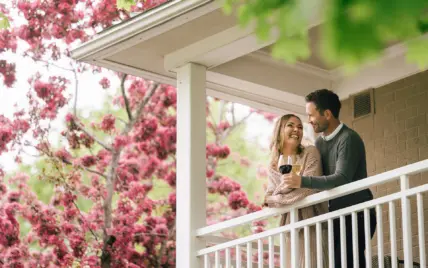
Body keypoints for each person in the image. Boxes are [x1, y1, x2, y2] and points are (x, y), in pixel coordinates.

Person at [282, 89, 377, 268]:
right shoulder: (319, 143)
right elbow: (317, 177)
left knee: (349, 262)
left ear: (327, 114)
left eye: (311, 115)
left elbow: (341, 178)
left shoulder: (348, 138)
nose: (309, 121)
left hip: (357, 213)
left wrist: (301, 181)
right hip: (334, 216)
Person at [264, 114, 329, 268]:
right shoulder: (274, 165)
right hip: (290, 226)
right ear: (280, 129)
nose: (296, 130)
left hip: (312, 221)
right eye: (291, 125)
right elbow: (268, 197)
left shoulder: (310, 152)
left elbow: (309, 189)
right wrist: (290, 187)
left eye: (300, 127)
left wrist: (278, 196)